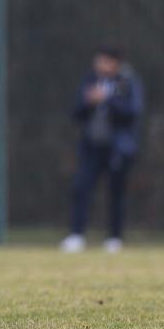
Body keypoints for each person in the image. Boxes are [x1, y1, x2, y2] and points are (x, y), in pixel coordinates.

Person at [59, 47, 143, 253]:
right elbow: (75, 112)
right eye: (98, 61)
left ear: (115, 63)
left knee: (116, 193)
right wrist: (89, 102)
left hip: (117, 149)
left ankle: (115, 238)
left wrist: (107, 99)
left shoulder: (128, 82)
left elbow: (133, 112)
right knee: (81, 188)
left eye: (104, 61)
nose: (99, 65)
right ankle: (76, 235)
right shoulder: (90, 80)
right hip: (91, 147)